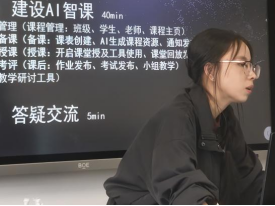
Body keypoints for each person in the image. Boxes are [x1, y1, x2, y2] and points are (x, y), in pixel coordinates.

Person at [105, 28, 264, 205]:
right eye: (242, 64)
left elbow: (251, 180)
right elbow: (180, 185)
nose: (252, 75)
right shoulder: (178, 117)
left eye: (251, 66)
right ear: (210, 71)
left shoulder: (226, 119)